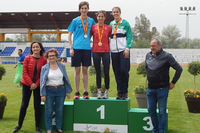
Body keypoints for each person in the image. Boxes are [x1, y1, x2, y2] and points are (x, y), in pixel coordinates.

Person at [145, 38, 183, 133]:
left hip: (162, 89)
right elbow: (146, 68)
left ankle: (161, 131)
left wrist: (173, 82)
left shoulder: (167, 56)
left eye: (153, 46)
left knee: (162, 112)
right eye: (150, 46)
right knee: (151, 110)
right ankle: (155, 129)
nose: (151, 48)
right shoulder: (148, 55)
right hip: (150, 89)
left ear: (159, 46)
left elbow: (179, 69)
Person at [13, 42, 47, 133]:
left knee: (37, 106)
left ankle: (37, 127)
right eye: (33, 47)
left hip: (38, 85)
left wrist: (36, 84)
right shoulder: (27, 58)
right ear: (32, 49)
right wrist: (31, 83)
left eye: (37, 47)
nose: (35, 48)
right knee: (24, 105)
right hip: (27, 85)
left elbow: (43, 74)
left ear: (40, 48)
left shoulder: (44, 60)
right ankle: (19, 125)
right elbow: (24, 73)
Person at [68, 1, 95, 99]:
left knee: (85, 70)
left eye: (85, 8)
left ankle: (85, 91)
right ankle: (76, 92)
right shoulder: (75, 20)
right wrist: (71, 47)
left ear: (88, 9)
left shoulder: (91, 20)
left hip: (87, 48)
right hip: (76, 48)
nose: (84, 10)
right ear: (79, 10)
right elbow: (69, 34)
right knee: (77, 70)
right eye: (82, 8)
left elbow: (94, 32)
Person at [40, 48, 72, 133]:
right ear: (47, 57)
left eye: (53, 55)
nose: (51, 57)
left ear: (56, 56)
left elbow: (65, 79)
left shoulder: (62, 66)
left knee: (59, 110)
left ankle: (59, 128)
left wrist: (67, 91)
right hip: (49, 90)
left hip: (61, 90)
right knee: (49, 110)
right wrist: (42, 94)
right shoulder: (44, 68)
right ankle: (49, 129)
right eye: (49, 56)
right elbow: (42, 82)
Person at [110, 7, 133, 100]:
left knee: (124, 71)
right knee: (117, 72)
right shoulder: (111, 24)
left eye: (117, 12)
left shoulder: (125, 23)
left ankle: (125, 91)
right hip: (114, 51)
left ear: (120, 12)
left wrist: (127, 48)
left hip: (123, 50)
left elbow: (130, 36)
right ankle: (119, 92)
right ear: (112, 13)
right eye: (114, 12)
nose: (115, 13)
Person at [90, 10, 112, 99]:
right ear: (97, 17)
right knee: (98, 72)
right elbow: (89, 36)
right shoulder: (93, 27)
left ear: (105, 18)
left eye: (102, 16)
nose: (100, 18)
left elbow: (111, 37)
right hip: (95, 51)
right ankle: (99, 91)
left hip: (106, 51)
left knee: (106, 72)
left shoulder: (108, 28)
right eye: (99, 16)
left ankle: (106, 91)